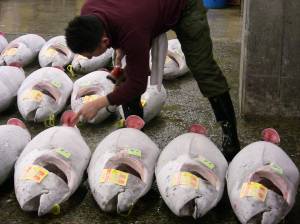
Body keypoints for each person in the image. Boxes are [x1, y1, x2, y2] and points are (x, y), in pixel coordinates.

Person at [65, 0, 240, 160]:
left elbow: (138, 85)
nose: (89, 59)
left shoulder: (132, 29)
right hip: (143, 11)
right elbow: (117, 18)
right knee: (126, 73)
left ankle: (230, 136)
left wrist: (98, 103)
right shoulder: (88, 12)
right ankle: (136, 132)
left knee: (204, 70)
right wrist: (119, 46)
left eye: (91, 55)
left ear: (104, 41)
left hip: (184, 6)